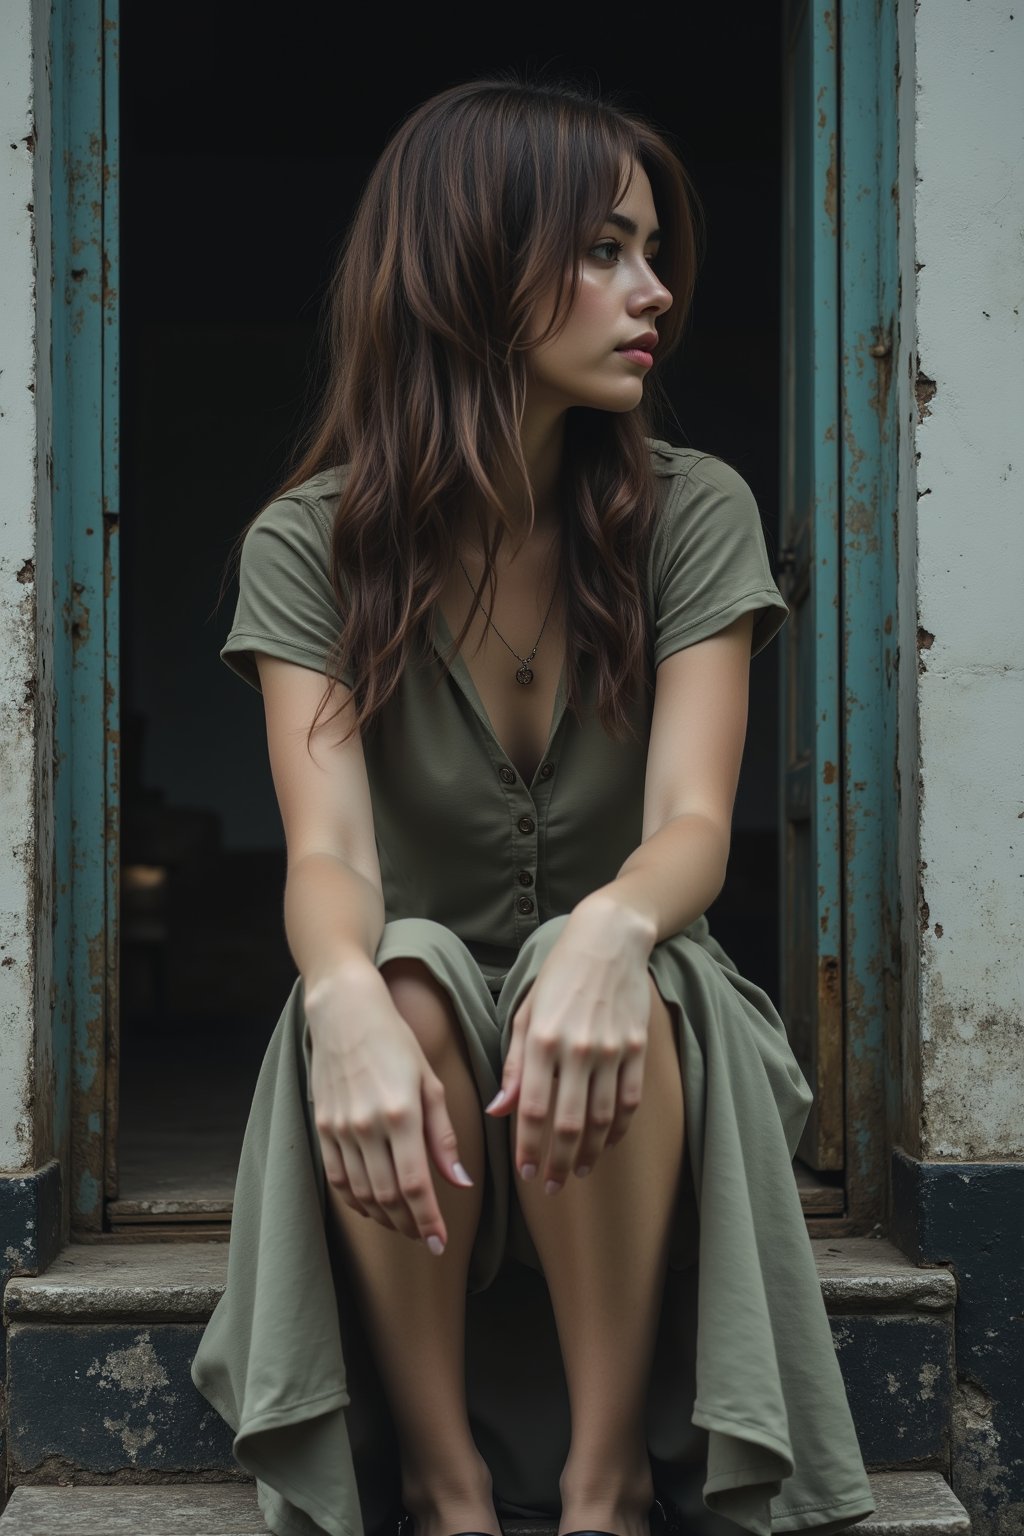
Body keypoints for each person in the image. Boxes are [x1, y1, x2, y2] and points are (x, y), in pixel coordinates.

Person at [191, 75, 876, 1536]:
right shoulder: (309, 545)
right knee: (408, 978)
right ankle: (444, 1490)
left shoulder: (694, 511)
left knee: (612, 965)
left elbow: (693, 819)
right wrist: (340, 993)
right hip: (425, 1043)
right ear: (474, 269)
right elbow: (328, 852)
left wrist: (615, 929)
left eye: (652, 248)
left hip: (643, 1024)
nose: (659, 289)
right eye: (605, 250)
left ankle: (605, 1484)